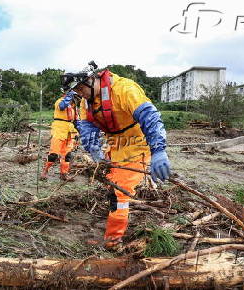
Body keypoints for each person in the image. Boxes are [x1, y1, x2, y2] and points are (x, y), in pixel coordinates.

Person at [61, 62, 171, 249]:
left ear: (91, 79)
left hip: (136, 145)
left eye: (81, 88)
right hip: (115, 147)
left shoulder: (124, 89)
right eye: (77, 90)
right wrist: (94, 148)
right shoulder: (86, 102)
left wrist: (158, 150)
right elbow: (87, 126)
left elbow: (150, 117)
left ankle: (113, 241)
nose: (80, 93)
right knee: (113, 189)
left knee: (119, 195)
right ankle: (115, 228)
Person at [40, 92, 79, 181]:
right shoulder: (59, 102)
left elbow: (76, 121)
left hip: (70, 131)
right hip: (59, 130)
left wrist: (77, 133)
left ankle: (64, 173)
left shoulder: (73, 107)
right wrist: (69, 96)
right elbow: (62, 106)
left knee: (67, 155)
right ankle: (45, 171)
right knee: (54, 154)